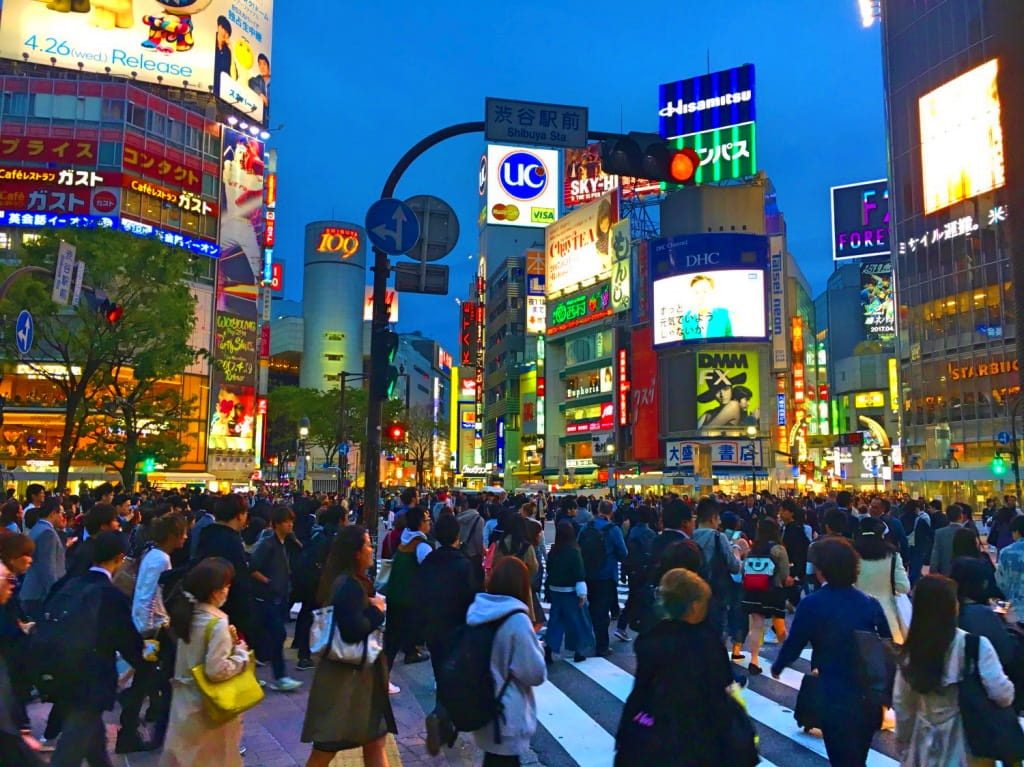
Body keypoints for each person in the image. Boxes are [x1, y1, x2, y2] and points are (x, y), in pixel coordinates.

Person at [772, 537, 892, 765]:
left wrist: (779, 665)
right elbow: (886, 646)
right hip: (868, 695)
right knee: (858, 757)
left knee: (841, 758)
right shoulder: (870, 603)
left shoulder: (813, 604)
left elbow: (795, 642)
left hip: (833, 693)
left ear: (822, 570)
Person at [614, 568, 736, 766]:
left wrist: (633, 728)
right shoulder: (708, 642)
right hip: (700, 734)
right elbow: (723, 686)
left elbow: (641, 689)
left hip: (652, 726)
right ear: (695, 606)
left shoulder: (650, 640)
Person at [893, 574, 1015, 766]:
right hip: (969, 746)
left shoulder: (911, 652)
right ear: (953, 607)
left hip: (924, 747)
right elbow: (1002, 694)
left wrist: (904, 743)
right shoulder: (974, 646)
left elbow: (903, 706)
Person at [50, 532, 147, 767]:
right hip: (92, 676)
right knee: (72, 744)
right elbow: (126, 638)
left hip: (63, 668)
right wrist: (144, 660)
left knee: (93, 738)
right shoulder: (109, 594)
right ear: (119, 558)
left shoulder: (71, 584)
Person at [302, 525, 395, 767]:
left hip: (358, 677)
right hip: (346, 680)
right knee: (328, 744)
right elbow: (354, 630)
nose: (371, 549)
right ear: (356, 552)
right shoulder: (349, 585)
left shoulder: (343, 580)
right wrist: (377, 611)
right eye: (367, 544)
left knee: (374, 739)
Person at [159, 557, 251, 767]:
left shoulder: (186, 615)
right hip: (209, 708)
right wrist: (241, 656)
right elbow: (216, 670)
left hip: (184, 702)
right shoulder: (216, 623)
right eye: (226, 585)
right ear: (214, 591)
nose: (228, 590)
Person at [465, 556, 546, 766]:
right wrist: (538, 648)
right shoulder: (517, 621)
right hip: (506, 717)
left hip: (482, 707)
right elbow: (535, 673)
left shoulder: (478, 612)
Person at [118, 513, 188, 753]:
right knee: (150, 675)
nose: (186, 537)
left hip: (152, 627)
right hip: (154, 630)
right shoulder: (160, 559)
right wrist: (148, 629)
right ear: (172, 536)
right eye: (183, 533)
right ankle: (135, 725)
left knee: (149, 675)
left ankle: (144, 718)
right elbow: (147, 594)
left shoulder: (154, 555)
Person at [420, 513, 478, 755]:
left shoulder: (429, 561)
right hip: (457, 629)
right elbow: (472, 599)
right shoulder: (463, 564)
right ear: (457, 535)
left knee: (440, 673)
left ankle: (444, 722)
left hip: (433, 628)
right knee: (455, 677)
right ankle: (442, 717)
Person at [250, 505, 302, 692]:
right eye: (287, 522)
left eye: (291, 521)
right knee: (277, 634)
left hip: (279, 596)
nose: (290, 525)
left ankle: (265, 670)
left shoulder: (284, 543)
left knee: (270, 636)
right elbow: (252, 567)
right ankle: (279, 675)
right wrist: (268, 582)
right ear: (277, 524)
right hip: (268, 597)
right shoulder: (268, 544)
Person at [194, 493, 254, 643]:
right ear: (239, 515)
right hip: (226, 612)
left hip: (202, 607)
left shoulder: (206, 534)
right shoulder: (231, 541)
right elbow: (240, 582)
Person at [740, 517, 791, 674]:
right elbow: (784, 574)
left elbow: (744, 571)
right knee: (779, 625)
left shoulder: (753, 549)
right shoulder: (778, 549)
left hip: (753, 591)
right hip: (773, 591)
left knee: (757, 625)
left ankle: (754, 660)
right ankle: (786, 655)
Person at [578, 500, 628, 657]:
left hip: (587, 574)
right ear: (610, 512)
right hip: (606, 575)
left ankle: (588, 640)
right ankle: (602, 646)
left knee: (591, 610)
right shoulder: (613, 529)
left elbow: (578, 546)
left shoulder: (587, 526)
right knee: (602, 612)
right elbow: (623, 553)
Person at [384, 506, 431, 667]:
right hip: (409, 596)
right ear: (419, 523)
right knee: (396, 637)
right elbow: (429, 569)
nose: (429, 523)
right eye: (427, 520)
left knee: (393, 635)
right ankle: (382, 679)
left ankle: (409, 652)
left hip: (395, 592)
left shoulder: (405, 540)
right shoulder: (421, 545)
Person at [854, 516, 911, 644]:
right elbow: (904, 586)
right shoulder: (892, 554)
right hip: (888, 614)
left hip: (856, 611)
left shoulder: (852, 553)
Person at [692, 497, 741, 639]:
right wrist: (736, 550)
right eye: (718, 518)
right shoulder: (719, 538)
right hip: (716, 593)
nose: (719, 522)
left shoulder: (689, 537)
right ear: (713, 518)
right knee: (717, 634)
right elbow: (734, 567)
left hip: (694, 592)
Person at [544, 521, 591, 664]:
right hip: (570, 591)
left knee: (555, 621)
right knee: (576, 621)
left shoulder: (553, 550)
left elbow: (549, 569)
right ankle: (578, 651)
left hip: (555, 589)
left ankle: (550, 647)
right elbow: (579, 574)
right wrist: (582, 594)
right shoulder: (574, 551)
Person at [616, 504, 657, 641]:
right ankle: (644, 628)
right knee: (645, 599)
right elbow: (653, 554)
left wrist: (623, 571)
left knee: (633, 598)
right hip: (645, 571)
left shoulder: (632, 531)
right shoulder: (650, 534)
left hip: (632, 570)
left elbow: (626, 552)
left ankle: (622, 626)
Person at [20, 497, 65, 619]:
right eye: (61, 513)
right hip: (40, 593)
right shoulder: (48, 533)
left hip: (33, 590)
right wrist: (54, 593)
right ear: (53, 513)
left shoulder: (37, 528)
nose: (63, 516)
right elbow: (48, 567)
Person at [995, 516, 1024, 617]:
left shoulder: (1006, 552)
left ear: (1016, 532)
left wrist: (1000, 610)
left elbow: (1000, 583)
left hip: (1014, 610)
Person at [930, 503, 967, 577]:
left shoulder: (939, 533)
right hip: (966, 573)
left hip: (945, 573)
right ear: (961, 516)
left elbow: (935, 555)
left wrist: (933, 572)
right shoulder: (968, 533)